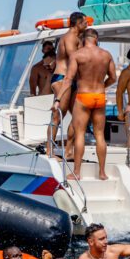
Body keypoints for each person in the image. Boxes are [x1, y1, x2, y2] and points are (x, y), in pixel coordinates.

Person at [56, 28, 116, 180]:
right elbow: (113, 78)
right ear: (96, 39)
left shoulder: (78, 55)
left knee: (80, 134)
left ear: (83, 40)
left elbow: (68, 80)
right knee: (100, 135)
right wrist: (103, 86)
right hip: (100, 96)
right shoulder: (106, 55)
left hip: (83, 96)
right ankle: (102, 173)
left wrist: (58, 99)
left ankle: (76, 172)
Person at [48, 12, 88, 158]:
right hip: (62, 79)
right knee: (58, 116)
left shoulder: (77, 38)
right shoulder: (70, 37)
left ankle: (69, 150)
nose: (87, 25)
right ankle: (49, 151)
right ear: (77, 23)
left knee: (77, 116)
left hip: (73, 80)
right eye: (84, 23)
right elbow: (75, 58)